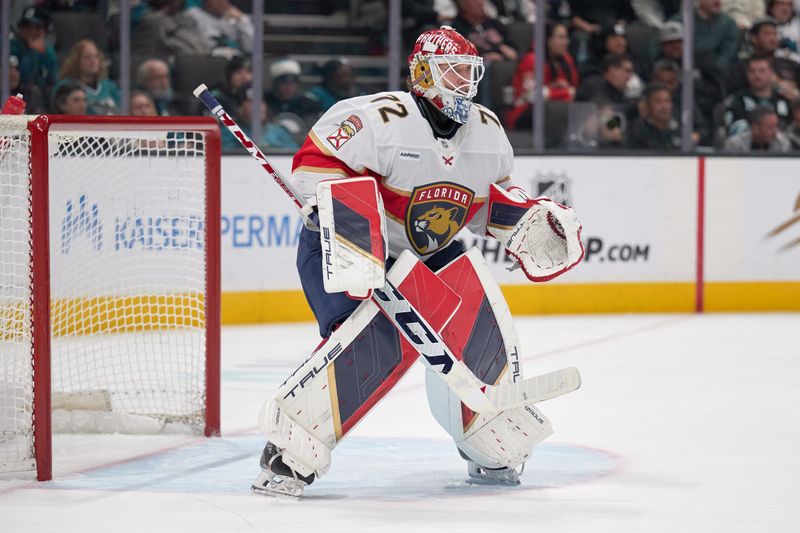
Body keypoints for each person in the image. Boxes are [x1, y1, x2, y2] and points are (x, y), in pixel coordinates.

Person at [252, 26, 582, 498]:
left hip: (431, 254)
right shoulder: (377, 118)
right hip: (347, 249)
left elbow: (490, 203)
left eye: (470, 73)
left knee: (474, 329)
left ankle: (488, 438)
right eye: (452, 72)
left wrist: (525, 222)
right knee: (368, 341)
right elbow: (316, 164)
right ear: (423, 73)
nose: (464, 84)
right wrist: (343, 221)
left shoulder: (487, 132)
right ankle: (292, 448)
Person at [506, 21, 579, 129]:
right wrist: (562, 92)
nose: (566, 42)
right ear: (548, 40)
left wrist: (551, 91)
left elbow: (574, 91)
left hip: (555, 111)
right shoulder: (531, 60)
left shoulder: (566, 60)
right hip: (524, 112)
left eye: (566, 38)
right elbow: (531, 95)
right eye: (560, 38)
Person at [722, 56, 792, 135]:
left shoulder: (784, 99)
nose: (757, 75)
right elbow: (734, 129)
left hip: (782, 144)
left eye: (762, 71)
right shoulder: (737, 100)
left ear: (771, 73)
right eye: (752, 71)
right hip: (747, 144)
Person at [220, 83, 298, 151]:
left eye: (261, 102)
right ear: (240, 108)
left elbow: (294, 157)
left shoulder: (279, 132)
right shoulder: (228, 132)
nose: (258, 107)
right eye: (252, 103)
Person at [53, 39, 121, 116]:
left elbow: (121, 109)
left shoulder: (110, 86)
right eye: (87, 57)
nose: (93, 60)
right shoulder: (65, 86)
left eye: (96, 56)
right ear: (77, 61)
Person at [9, 5, 58, 94]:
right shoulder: (11, 46)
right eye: (27, 25)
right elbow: (24, 79)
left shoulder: (48, 52)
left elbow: (52, 82)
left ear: (45, 30)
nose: (32, 31)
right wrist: (33, 51)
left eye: (37, 27)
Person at [185, 0, 255, 57]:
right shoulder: (192, 15)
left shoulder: (233, 18)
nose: (222, 2)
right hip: (206, 60)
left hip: (234, 63)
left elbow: (251, 48)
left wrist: (243, 21)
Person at [265, 58, 321, 129]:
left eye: (292, 83)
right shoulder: (265, 101)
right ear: (275, 84)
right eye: (284, 83)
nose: (289, 88)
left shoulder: (309, 104)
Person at [626, 83, 682, 149]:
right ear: (647, 105)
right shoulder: (637, 132)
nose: (664, 107)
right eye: (658, 101)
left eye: (667, 101)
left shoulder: (679, 130)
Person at [724, 105, 792, 151]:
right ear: (755, 127)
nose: (775, 131)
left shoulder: (782, 143)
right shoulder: (735, 144)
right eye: (770, 127)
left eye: (776, 126)